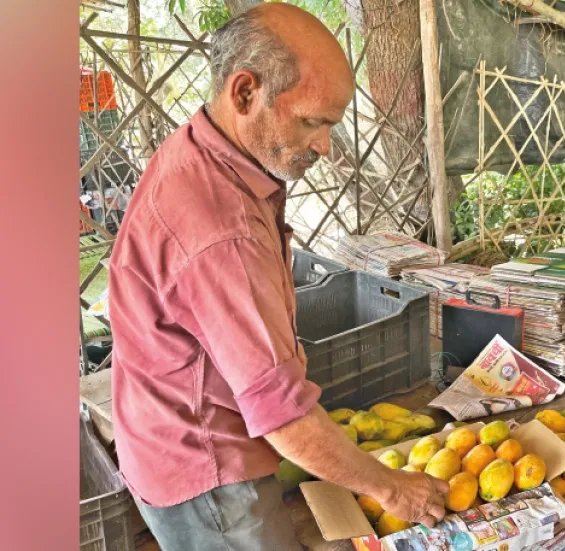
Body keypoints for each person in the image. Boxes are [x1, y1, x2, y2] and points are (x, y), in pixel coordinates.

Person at [107, 5, 447, 550]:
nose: (325, 147)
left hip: (162, 429)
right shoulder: (223, 231)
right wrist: (390, 487)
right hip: (206, 469)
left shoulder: (198, 153)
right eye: (314, 121)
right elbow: (281, 415)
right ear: (245, 93)